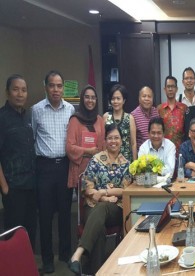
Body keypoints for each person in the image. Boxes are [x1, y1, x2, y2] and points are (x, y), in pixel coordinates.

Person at [68, 123, 132, 275]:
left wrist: (102, 192)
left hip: (116, 208)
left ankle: (77, 254)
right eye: (110, 138)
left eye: (117, 138)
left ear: (121, 141)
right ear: (105, 141)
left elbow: (125, 190)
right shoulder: (96, 159)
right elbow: (87, 187)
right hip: (93, 205)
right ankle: (96, 272)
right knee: (99, 229)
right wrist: (104, 198)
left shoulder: (126, 164)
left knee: (102, 208)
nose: (113, 141)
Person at [32, 70, 75, 273]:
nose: (56, 90)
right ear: (45, 86)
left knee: (65, 214)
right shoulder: (36, 110)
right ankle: (47, 260)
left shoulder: (70, 110)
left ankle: (66, 255)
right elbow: (32, 139)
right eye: (52, 85)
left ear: (63, 87)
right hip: (45, 168)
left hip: (64, 166)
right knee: (46, 215)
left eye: (59, 86)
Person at [0, 74, 36, 248]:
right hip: (13, 187)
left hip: (31, 185)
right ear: (7, 92)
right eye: (15, 89)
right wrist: (4, 187)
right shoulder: (2, 118)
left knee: (29, 230)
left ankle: (28, 267)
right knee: (13, 233)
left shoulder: (27, 116)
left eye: (23, 90)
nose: (20, 94)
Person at [66, 85, 105, 192]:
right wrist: (88, 151)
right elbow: (69, 147)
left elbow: (103, 146)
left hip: (98, 169)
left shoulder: (100, 120)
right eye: (87, 97)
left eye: (93, 98)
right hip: (81, 170)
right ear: (82, 99)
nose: (90, 100)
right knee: (82, 206)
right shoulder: (74, 120)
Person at [103, 84, 137, 161]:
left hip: (126, 160)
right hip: (109, 160)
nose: (115, 101)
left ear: (124, 100)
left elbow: (133, 143)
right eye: (113, 99)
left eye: (118, 98)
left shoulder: (130, 118)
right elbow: (103, 140)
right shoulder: (106, 116)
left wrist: (135, 164)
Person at [157, 76, 188, 152]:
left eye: (173, 86)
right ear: (165, 89)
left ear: (176, 89)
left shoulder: (184, 108)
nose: (170, 89)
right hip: (164, 151)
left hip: (181, 151)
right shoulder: (159, 109)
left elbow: (187, 130)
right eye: (168, 87)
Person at [131, 86, 160, 150]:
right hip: (142, 156)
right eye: (144, 96)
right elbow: (133, 143)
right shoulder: (133, 116)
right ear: (139, 99)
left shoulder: (156, 112)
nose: (147, 99)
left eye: (149, 96)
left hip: (156, 154)